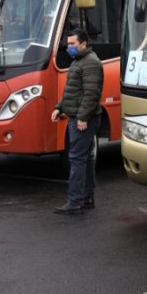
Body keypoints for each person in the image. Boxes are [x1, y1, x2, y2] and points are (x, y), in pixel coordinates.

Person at [51, 28, 104, 215]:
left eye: (73, 44)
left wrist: (82, 117)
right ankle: (86, 199)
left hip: (84, 119)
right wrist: (59, 108)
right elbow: (72, 91)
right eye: (68, 44)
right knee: (85, 159)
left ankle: (75, 202)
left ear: (83, 44)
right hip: (79, 116)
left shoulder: (90, 63)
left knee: (77, 159)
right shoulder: (79, 61)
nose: (69, 47)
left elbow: (91, 93)